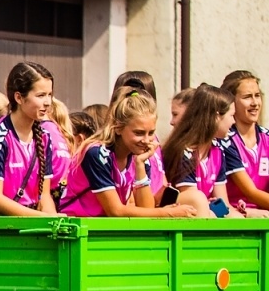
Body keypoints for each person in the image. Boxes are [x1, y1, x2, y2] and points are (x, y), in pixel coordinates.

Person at [59, 93, 195, 218]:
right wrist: (167, 212)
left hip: (106, 227)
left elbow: (146, 210)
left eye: (151, 132)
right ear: (118, 128)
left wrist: (140, 165)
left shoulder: (139, 154)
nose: (146, 140)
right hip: (78, 225)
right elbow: (115, 210)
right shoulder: (96, 153)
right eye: (139, 133)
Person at [0, 62, 70, 216]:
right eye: (41, 95)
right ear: (19, 97)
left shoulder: (45, 137)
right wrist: (43, 218)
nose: (47, 102)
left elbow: (44, 196)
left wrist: (53, 220)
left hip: (30, 223)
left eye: (50, 95)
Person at [160, 85, 244, 216]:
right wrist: (214, 212)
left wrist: (245, 214)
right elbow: (192, 201)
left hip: (205, 211)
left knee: (236, 217)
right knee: (198, 199)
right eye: (232, 115)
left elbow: (223, 203)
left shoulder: (218, 150)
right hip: (175, 212)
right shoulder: (184, 151)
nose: (234, 121)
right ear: (216, 117)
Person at [222, 70, 269, 212]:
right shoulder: (226, 141)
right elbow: (251, 192)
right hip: (236, 216)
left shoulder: (267, 138)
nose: (255, 103)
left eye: (257, 96)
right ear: (232, 102)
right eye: (247, 97)